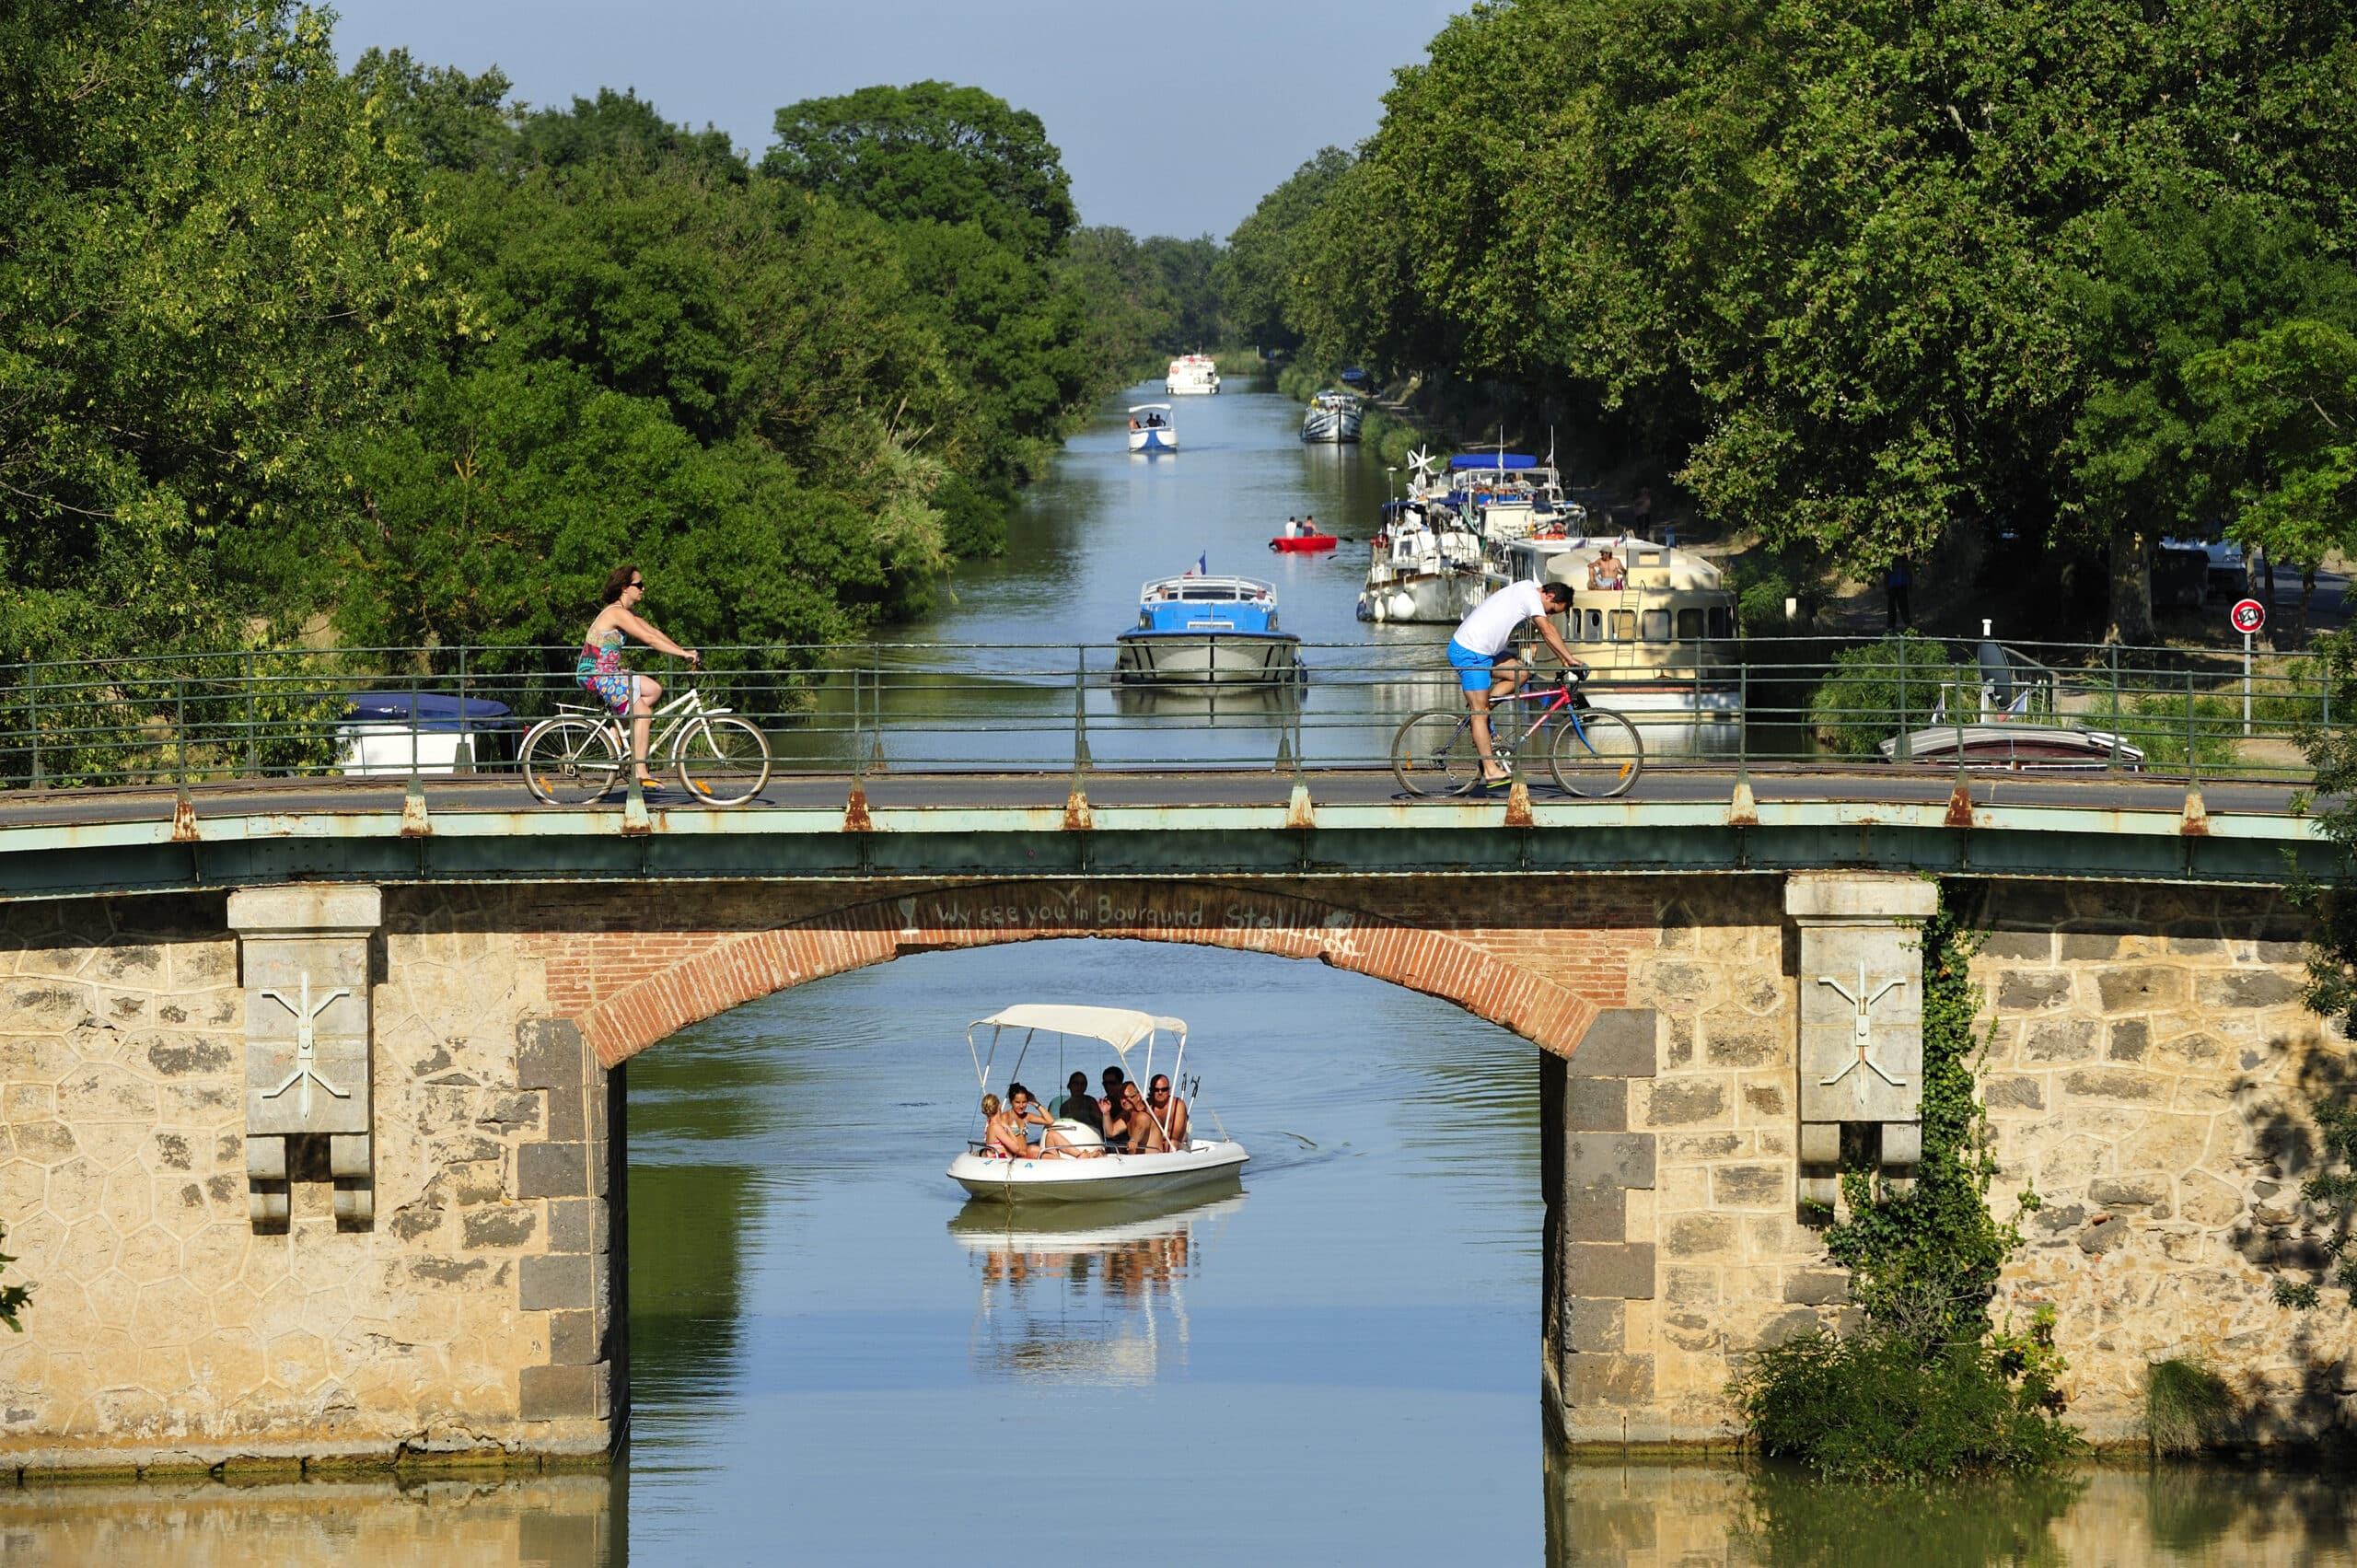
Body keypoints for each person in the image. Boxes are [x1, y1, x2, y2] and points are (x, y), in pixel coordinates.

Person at [576, 564, 700, 794]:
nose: (644, 588)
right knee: (643, 713)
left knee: (653, 689)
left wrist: (684, 650)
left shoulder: (626, 613)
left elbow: (654, 632)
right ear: (625, 588)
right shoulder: (615, 613)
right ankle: (641, 771)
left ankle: (618, 729)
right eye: (639, 585)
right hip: (597, 675)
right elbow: (648, 640)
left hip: (609, 673)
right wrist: (682, 654)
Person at [1447, 578, 1583, 786]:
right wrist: (1570, 659)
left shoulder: (1528, 586)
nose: (1549, 615)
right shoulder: (1531, 598)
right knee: (1480, 713)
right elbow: (1547, 631)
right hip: (1470, 652)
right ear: (1550, 596)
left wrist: (1565, 658)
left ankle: (1484, 706)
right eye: (1552, 611)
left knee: (1521, 674)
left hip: (1485, 652)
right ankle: (1491, 770)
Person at [1121, 1083, 1168, 1153]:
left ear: (1138, 1097)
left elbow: (1141, 1126)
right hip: (1137, 1160)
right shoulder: (1127, 1116)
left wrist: (1134, 1140)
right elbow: (1111, 1132)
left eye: (1128, 1097)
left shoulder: (1143, 1115)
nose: (1124, 1101)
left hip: (1153, 1160)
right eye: (1121, 1098)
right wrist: (1106, 1113)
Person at [979, 1094, 1028, 1159]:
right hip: (1003, 1162)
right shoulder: (996, 1127)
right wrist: (1007, 1127)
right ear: (999, 1106)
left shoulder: (989, 1124)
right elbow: (1016, 1149)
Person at [1148, 1075, 1190, 1146]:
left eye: (1164, 1089)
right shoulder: (1146, 1105)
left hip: (1177, 1146)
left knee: (1170, 1143)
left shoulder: (1177, 1105)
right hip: (1154, 1146)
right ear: (1151, 1090)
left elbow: (1174, 1136)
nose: (1160, 1092)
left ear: (1169, 1090)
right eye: (1156, 1090)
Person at [1005, 1082, 1049, 1147]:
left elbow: (1050, 1121)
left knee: (1052, 1135)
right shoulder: (1004, 1117)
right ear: (1011, 1102)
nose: (1021, 1106)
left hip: (1025, 1154)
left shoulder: (1027, 1116)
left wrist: (1036, 1103)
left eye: (1024, 1102)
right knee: (1033, 1149)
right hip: (1012, 1154)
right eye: (1017, 1102)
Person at [1886, 558, 1913, 630]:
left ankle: (1907, 624)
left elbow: (1908, 570)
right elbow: (1886, 573)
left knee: (1903, 605)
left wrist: (1910, 584)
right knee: (1892, 606)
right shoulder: (1888, 556)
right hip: (1892, 585)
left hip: (1902, 584)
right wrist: (1886, 586)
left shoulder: (1903, 557)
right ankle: (1891, 625)